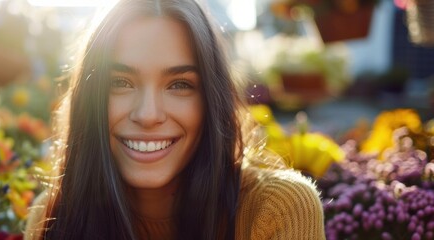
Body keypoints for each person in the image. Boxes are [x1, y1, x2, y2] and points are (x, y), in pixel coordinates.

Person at [24, 0, 325, 239]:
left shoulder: (276, 209)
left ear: (211, 100)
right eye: (120, 83)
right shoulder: (53, 216)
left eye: (179, 85)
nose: (147, 115)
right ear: (90, 98)